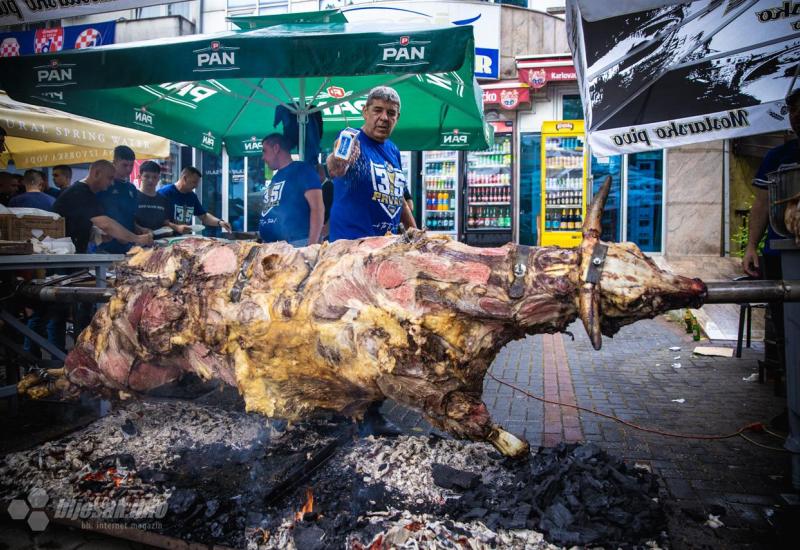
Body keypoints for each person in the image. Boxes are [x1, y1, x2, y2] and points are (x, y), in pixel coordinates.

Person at [326, 86, 417, 242]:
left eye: (391, 113)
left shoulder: (393, 149)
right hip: (351, 249)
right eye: (377, 110)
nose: (384, 118)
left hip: (387, 248)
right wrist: (338, 159)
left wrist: (417, 236)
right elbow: (335, 168)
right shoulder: (350, 137)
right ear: (365, 111)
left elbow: (399, 199)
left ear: (397, 117)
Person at [53, 159, 153, 254]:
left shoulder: (88, 193)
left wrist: (98, 236)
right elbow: (106, 223)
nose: (111, 183)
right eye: (109, 178)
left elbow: (76, 223)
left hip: (71, 254)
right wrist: (137, 238)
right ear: (96, 173)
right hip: (60, 257)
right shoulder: (80, 192)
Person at [258, 133, 324, 246]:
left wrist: (312, 245)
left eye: (264, 151)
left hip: (297, 244)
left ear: (276, 148)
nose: (263, 157)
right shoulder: (276, 177)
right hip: (274, 247)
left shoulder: (303, 170)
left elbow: (317, 208)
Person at [158, 166, 232, 234]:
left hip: (185, 239)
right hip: (166, 239)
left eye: (197, 183)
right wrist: (176, 227)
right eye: (194, 182)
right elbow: (158, 220)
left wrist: (219, 222)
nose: (196, 186)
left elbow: (204, 216)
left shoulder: (192, 196)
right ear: (184, 178)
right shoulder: (165, 193)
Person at [96, 145, 141, 254]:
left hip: (128, 248)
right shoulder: (102, 185)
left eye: (131, 165)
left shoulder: (132, 189)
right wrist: (115, 234)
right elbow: (96, 218)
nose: (128, 169)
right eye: (124, 165)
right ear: (115, 162)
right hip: (104, 247)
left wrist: (139, 229)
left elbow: (131, 217)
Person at [134, 161, 186, 235]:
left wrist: (172, 228)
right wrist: (140, 229)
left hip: (161, 243)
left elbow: (165, 222)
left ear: (158, 178)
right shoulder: (133, 197)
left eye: (154, 177)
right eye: (146, 176)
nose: (151, 180)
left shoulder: (163, 199)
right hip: (138, 243)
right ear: (140, 177)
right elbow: (127, 221)